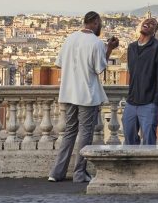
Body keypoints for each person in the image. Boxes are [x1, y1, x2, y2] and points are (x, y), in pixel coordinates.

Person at [48, 11, 119, 183]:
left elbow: (59, 64)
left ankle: (57, 172)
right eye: (99, 23)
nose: (100, 26)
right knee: (85, 134)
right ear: (95, 22)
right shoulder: (95, 43)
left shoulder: (70, 38)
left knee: (70, 132)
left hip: (69, 92)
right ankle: (79, 173)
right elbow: (99, 68)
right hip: (87, 94)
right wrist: (109, 48)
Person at [122, 15, 158, 145]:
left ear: (155, 31)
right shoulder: (131, 47)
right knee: (128, 135)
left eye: (152, 23)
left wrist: (156, 101)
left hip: (149, 103)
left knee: (148, 138)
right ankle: (133, 164)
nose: (148, 23)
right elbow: (132, 72)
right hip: (131, 101)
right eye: (146, 21)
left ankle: (148, 165)